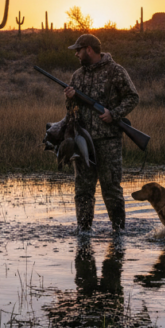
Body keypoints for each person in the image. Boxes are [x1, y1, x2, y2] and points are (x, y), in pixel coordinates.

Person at [63, 34, 139, 233]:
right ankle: (84, 232)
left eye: (78, 50)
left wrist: (113, 114)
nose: (76, 55)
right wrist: (70, 98)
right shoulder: (77, 75)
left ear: (88, 49)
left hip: (109, 141)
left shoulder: (116, 71)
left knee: (111, 190)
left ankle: (119, 233)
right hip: (83, 142)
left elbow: (132, 97)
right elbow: (71, 109)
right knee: (82, 191)